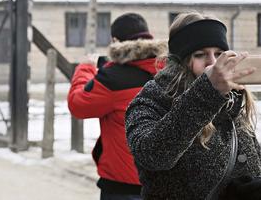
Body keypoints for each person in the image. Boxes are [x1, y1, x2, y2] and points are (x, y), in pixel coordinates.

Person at [125, 12, 261, 199]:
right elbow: (153, 155)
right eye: (200, 55)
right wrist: (208, 92)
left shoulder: (233, 101)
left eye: (219, 54)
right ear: (180, 62)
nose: (212, 63)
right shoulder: (153, 98)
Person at [67, 13, 166, 200]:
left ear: (114, 40)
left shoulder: (113, 77)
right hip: (165, 183)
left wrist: (86, 68)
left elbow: (78, 105)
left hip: (123, 187)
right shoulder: (169, 70)